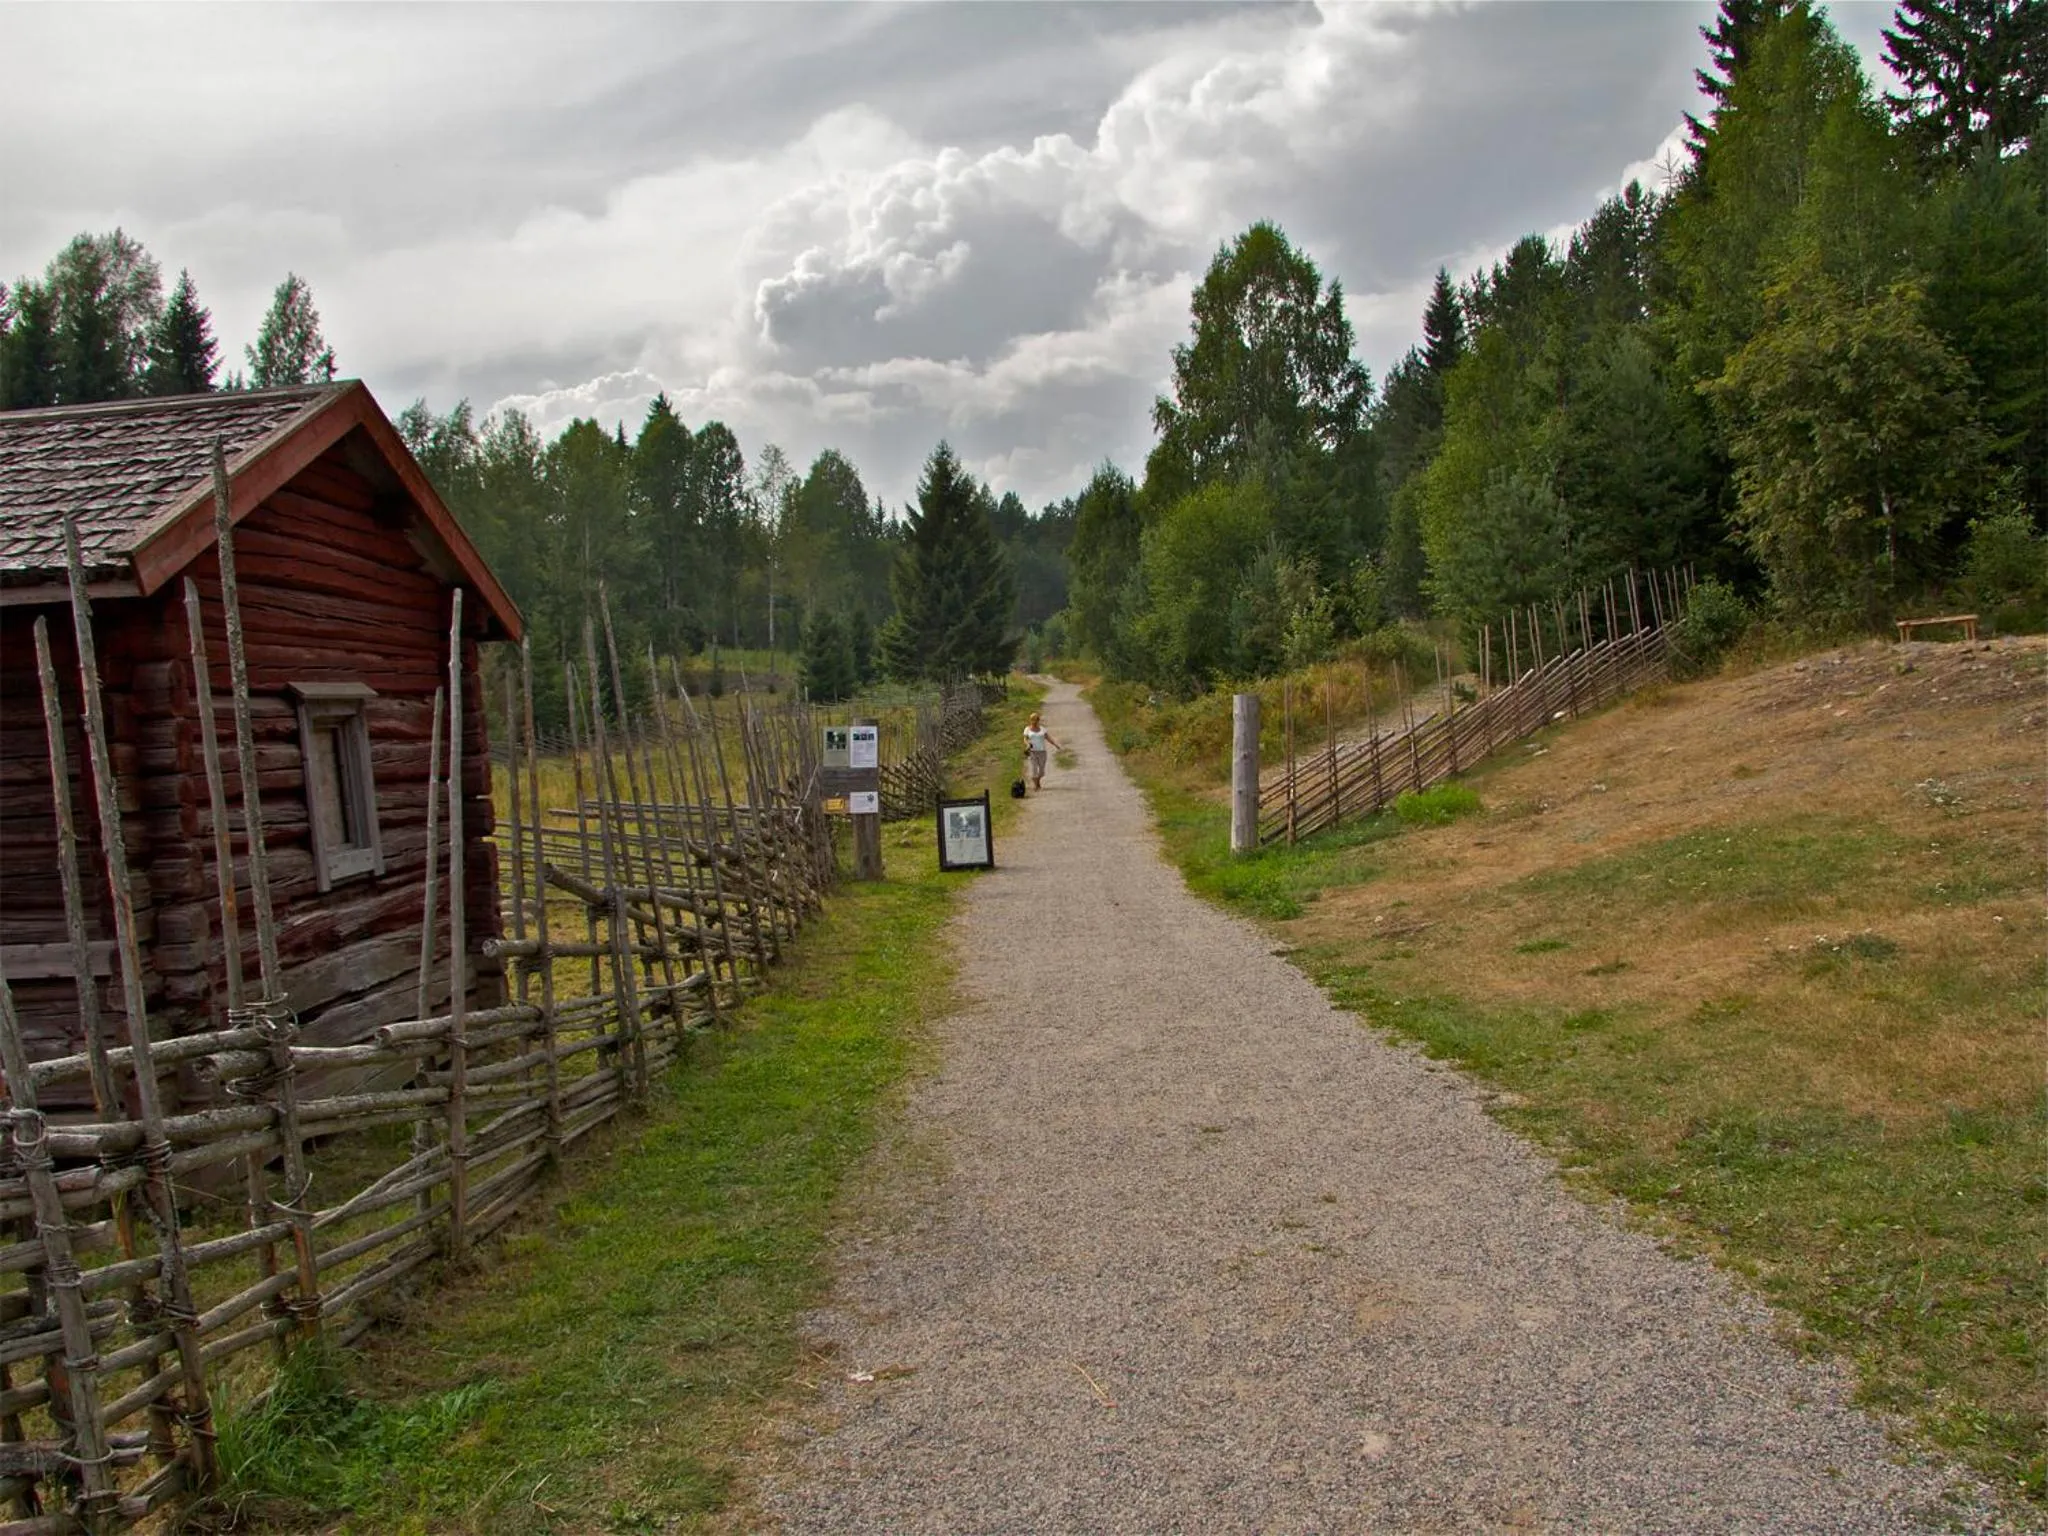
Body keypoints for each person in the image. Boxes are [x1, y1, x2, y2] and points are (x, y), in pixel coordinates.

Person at [1021, 710, 1062, 792]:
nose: (1034, 721)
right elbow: (1025, 739)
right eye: (1032, 719)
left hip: (1042, 752)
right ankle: (1036, 785)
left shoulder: (1042, 729)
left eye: (1036, 719)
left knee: (1042, 771)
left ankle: (1038, 781)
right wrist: (1027, 744)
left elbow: (1048, 738)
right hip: (1033, 752)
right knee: (1034, 770)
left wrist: (1055, 744)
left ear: (1038, 720)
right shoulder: (1027, 729)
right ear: (1030, 720)